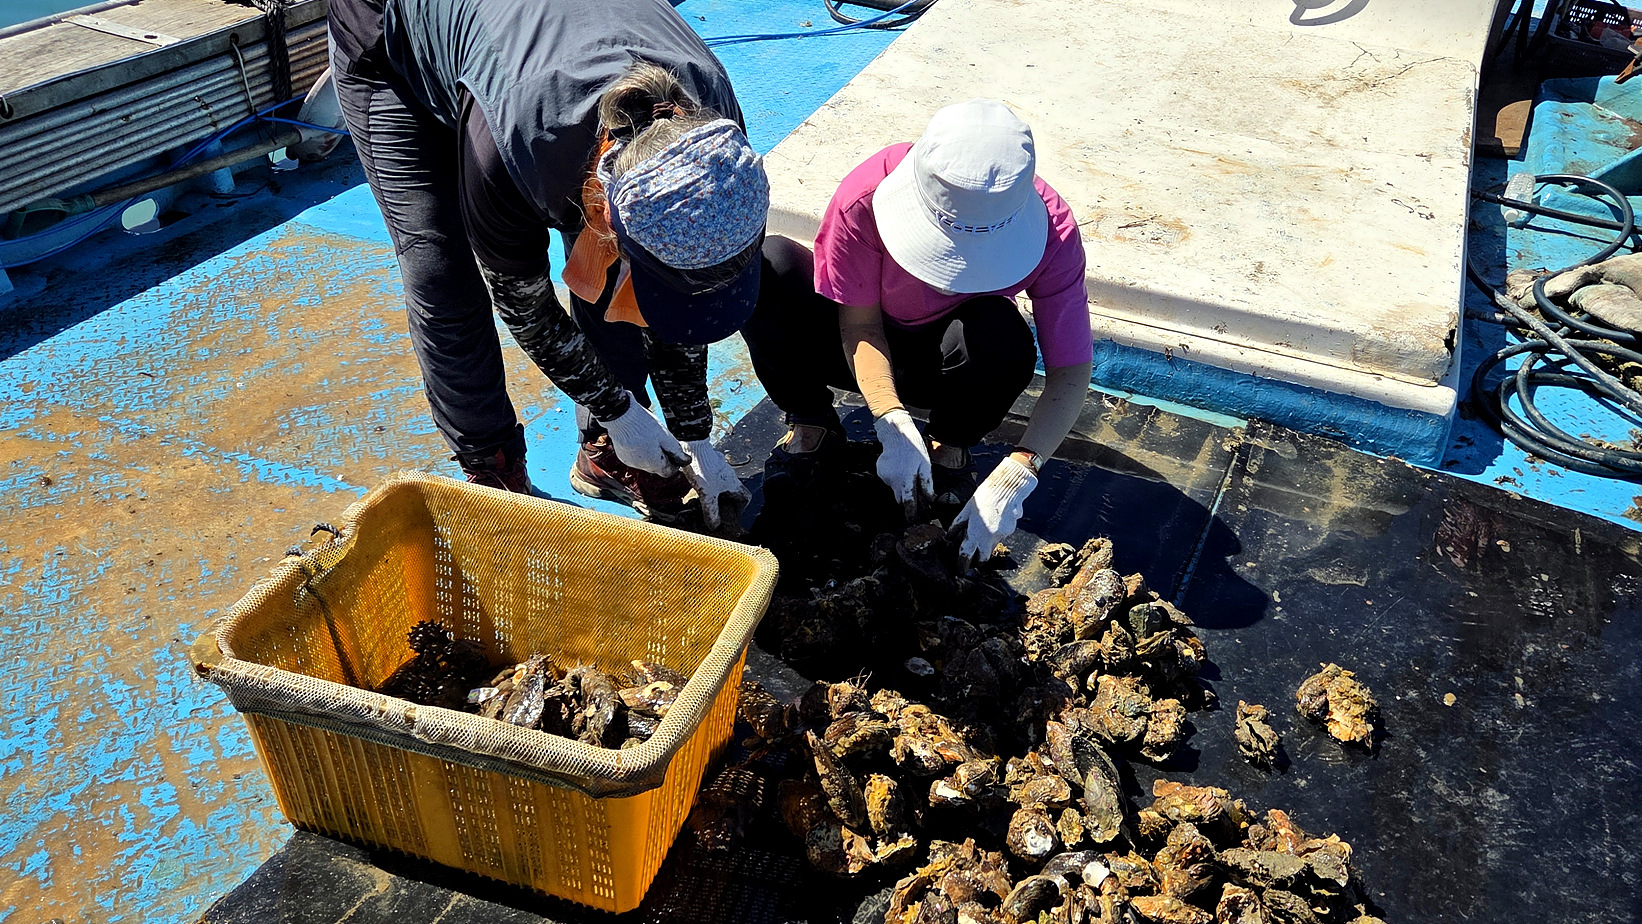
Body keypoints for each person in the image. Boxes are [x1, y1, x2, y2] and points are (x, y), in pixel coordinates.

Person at [326, 0, 762, 528]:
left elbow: (683, 296)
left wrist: (696, 436)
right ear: (605, 210)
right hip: (391, 48)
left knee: (623, 274)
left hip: (532, 55)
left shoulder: (717, 131)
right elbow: (528, 310)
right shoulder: (512, 150)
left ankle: (603, 450)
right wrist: (621, 412)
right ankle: (493, 468)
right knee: (440, 271)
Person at [741, 99, 1094, 561]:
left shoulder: (1055, 231)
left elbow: (1070, 372)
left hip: (946, 366)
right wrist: (888, 414)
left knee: (1003, 337)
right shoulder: (865, 196)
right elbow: (860, 323)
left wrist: (1021, 469)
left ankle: (950, 446)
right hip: (854, 346)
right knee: (770, 268)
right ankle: (812, 423)